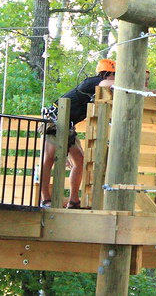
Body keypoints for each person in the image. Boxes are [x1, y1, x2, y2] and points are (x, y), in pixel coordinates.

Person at [39, 59, 116, 208]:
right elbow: (108, 84)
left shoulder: (100, 89)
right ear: (107, 73)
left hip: (68, 126)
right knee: (48, 160)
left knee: (79, 161)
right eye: (114, 75)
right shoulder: (92, 82)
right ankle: (45, 199)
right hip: (54, 122)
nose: (115, 78)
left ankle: (74, 200)